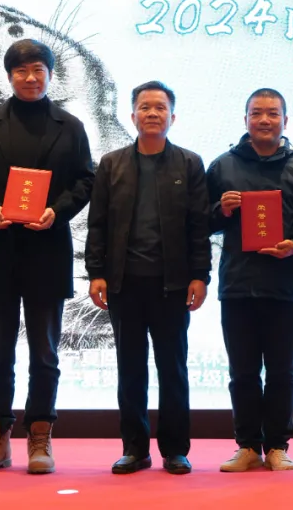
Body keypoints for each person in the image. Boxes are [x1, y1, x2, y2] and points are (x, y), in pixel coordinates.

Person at [0, 39, 95, 475]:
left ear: (50, 74)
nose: (30, 78)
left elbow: (86, 181)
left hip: (46, 252)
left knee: (45, 354)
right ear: (9, 76)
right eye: (21, 71)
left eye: (38, 70)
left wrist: (57, 211)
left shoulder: (70, 127)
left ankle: (40, 435)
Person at [86, 81, 211, 475]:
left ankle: (175, 449)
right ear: (133, 115)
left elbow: (199, 226)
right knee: (131, 369)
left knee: (173, 368)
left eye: (160, 107)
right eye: (145, 107)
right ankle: (134, 448)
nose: (152, 113)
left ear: (172, 116)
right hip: (124, 284)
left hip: (172, 284)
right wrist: (96, 273)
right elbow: (98, 223)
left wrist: (200, 275)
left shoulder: (189, 164)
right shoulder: (112, 164)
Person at [207, 88, 293, 473]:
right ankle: (247, 445)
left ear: (285, 120)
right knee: (243, 372)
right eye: (257, 113)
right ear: (245, 118)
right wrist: (221, 209)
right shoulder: (223, 166)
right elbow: (199, 221)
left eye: (273, 113)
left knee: (283, 371)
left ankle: (278, 445)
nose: (265, 120)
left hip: (284, 286)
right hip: (237, 285)